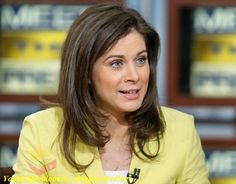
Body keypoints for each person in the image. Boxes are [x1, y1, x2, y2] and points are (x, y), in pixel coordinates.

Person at [10, 3, 210, 184]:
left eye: (141, 60)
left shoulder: (180, 130)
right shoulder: (41, 131)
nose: (135, 75)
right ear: (86, 71)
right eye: (116, 63)